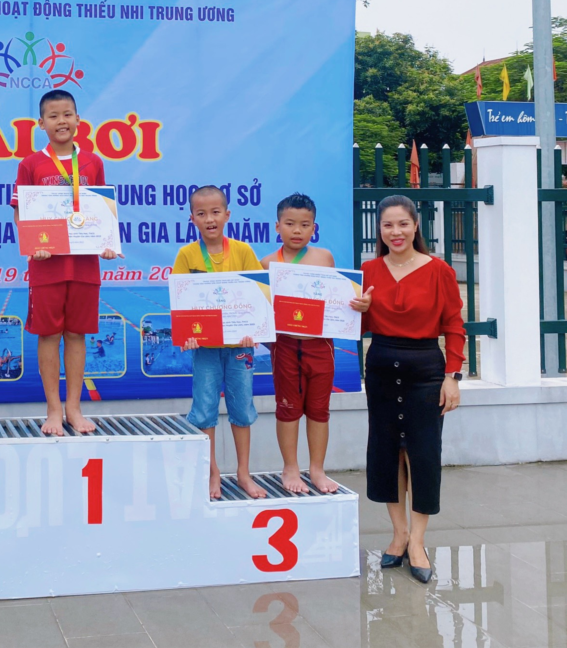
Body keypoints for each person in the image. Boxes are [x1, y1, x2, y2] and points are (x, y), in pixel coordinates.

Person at [353, 194, 464, 584]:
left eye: (403, 224)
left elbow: (454, 325)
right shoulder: (368, 270)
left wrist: (452, 376)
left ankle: (418, 540)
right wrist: (359, 311)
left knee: (422, 454)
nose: (395, 232)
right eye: (387, 225)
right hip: (382, 367)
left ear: (416, 226)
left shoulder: (439, 270)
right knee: (388, 452)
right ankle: (398, 534)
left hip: (425, 370)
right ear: (379, 229)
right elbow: (356, 328)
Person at [11, 88, 119, 435]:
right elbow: (21, 213)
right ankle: (53, 409)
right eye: (54, 116)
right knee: (48, 334)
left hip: (84, 264)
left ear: (78, 119)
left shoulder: (93, 162)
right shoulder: (30, 164)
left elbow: (100, 210)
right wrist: (33, 244)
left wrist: (106, 242)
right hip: (47, 265)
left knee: (76, 334)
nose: (62, 121)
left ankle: (74, 407)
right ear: (40, 123)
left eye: (67, 114)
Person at [260, 193, 370, 496]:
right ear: (277, 226)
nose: (297, 230)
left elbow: (338, 300)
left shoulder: (324, 258)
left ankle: (317, 469)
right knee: (288, 408)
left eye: (304, 224)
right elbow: (262, 311)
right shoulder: (267, 263)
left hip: (321, 346)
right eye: (290, 224)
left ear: (314, 228)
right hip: (285, 347)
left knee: (319, 409)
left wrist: (358, 305)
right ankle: (290, 467)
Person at [172, 185, 265, 500]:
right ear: (192, 219)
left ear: (227, 215)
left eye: (215, 212)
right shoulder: (187, 255)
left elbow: (257, 295)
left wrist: (253, 329)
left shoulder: (242, 251)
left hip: (240, 347)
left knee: (242, 407)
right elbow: (182, 302)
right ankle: (211, 472)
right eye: (201, 214)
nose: (209, 219)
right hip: (206, 350)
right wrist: (188, 335)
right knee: (204, 409)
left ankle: (243, 473)